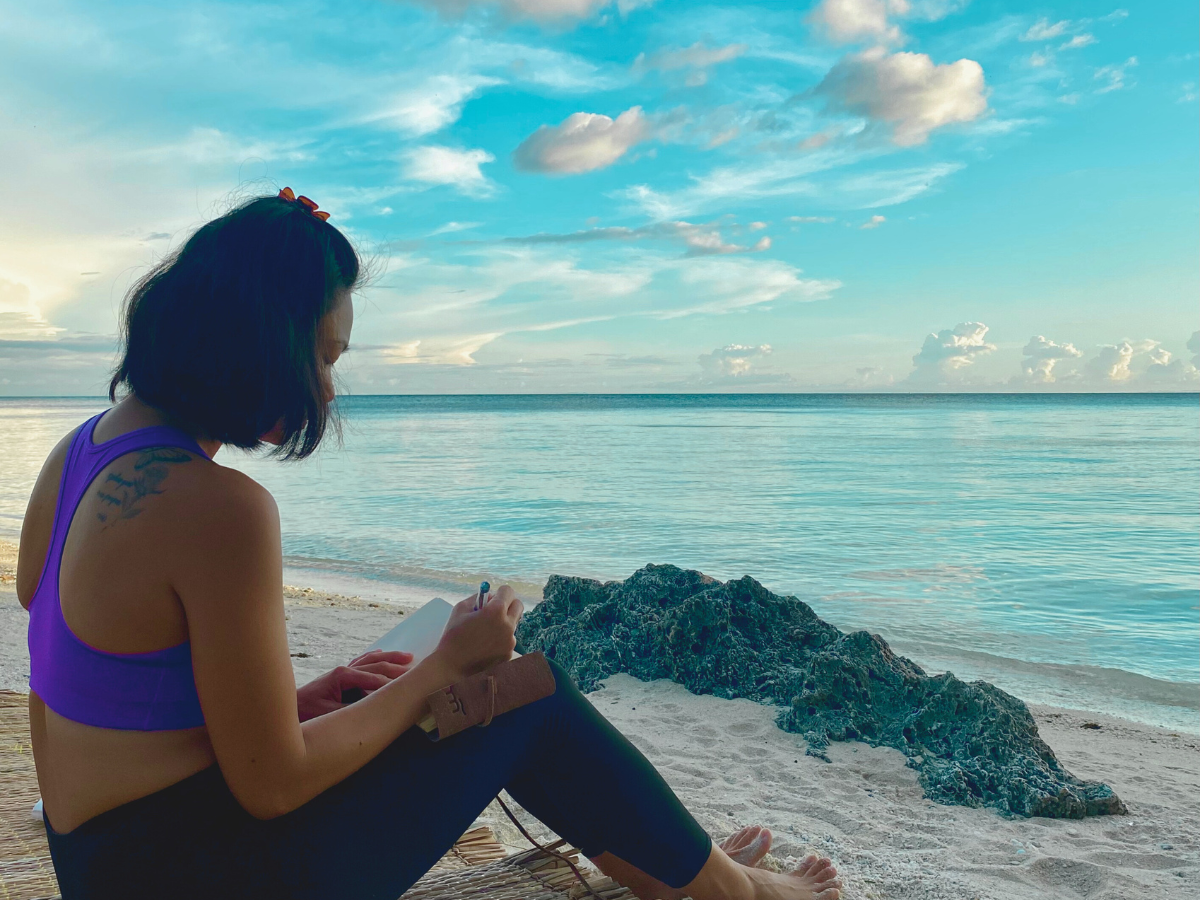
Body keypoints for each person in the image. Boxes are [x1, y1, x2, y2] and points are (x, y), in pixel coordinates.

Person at [16, 189, 843, 900]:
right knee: (527, 696)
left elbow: (80, 641)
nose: (328, 390)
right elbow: (271, 786)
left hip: (97, 857)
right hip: (190, 874)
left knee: (414, 698)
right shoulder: (219, 508)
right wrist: (444, 669)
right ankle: (725, 890)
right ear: (261, 342)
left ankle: (681, 869)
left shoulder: (84, 448)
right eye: (325, 358)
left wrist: (293, 704)